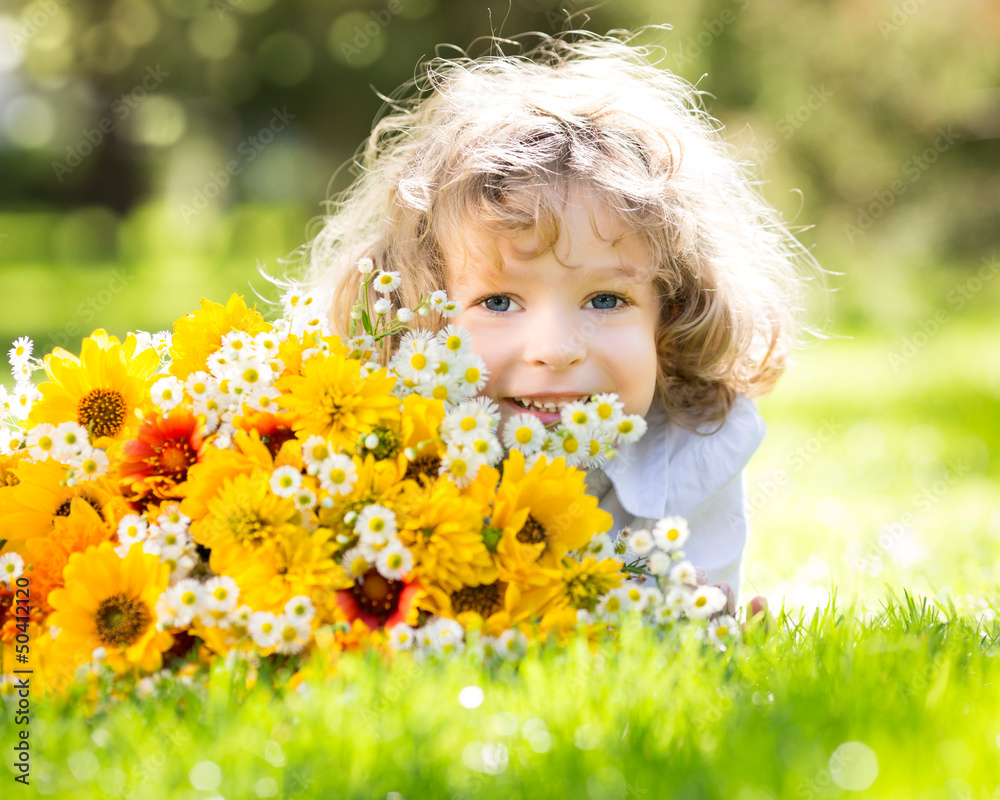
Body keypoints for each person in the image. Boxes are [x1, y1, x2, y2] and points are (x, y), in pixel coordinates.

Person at [296, 31, 820, 620]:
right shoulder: (381, 453)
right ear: (426, 316)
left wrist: (694, 617)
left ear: (668, 316)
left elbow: (681, 618)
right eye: (498, 303)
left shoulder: (699, 447)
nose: (554, 349)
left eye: (604, 299)